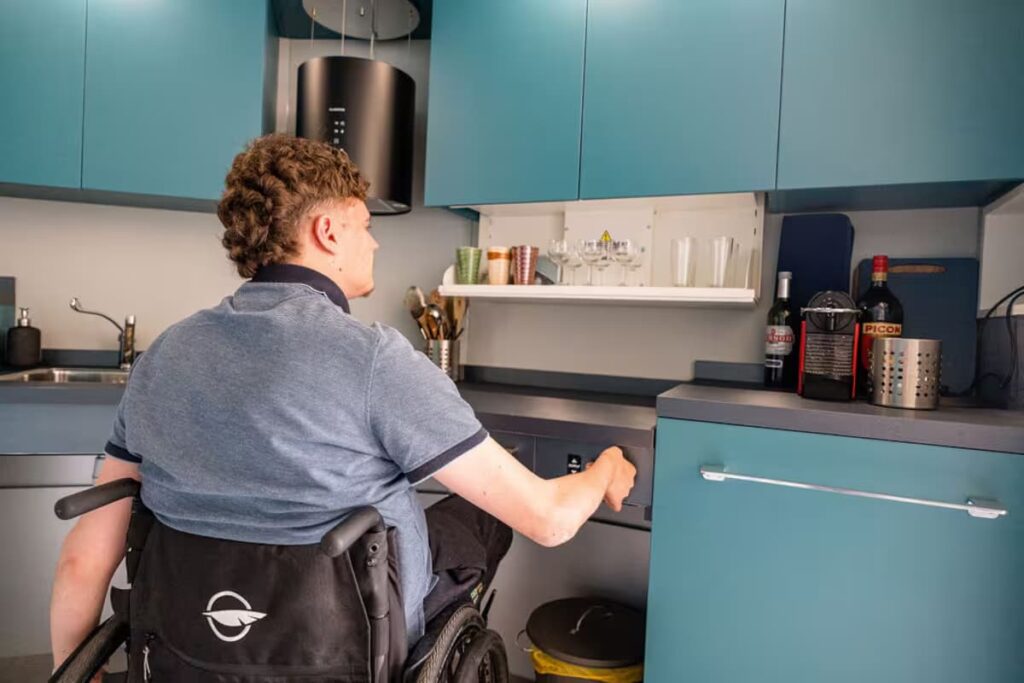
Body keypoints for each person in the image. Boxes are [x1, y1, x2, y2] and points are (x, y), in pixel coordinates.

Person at [49, 134, 637, 670]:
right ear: (327, 232)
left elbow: (85, 559)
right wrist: (606, 468)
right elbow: (550, 519)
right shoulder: (374, 358)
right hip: (347, 643)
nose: (375, 241)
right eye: (364, 225)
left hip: (187, 644)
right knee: (484, 516)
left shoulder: (164, 354)